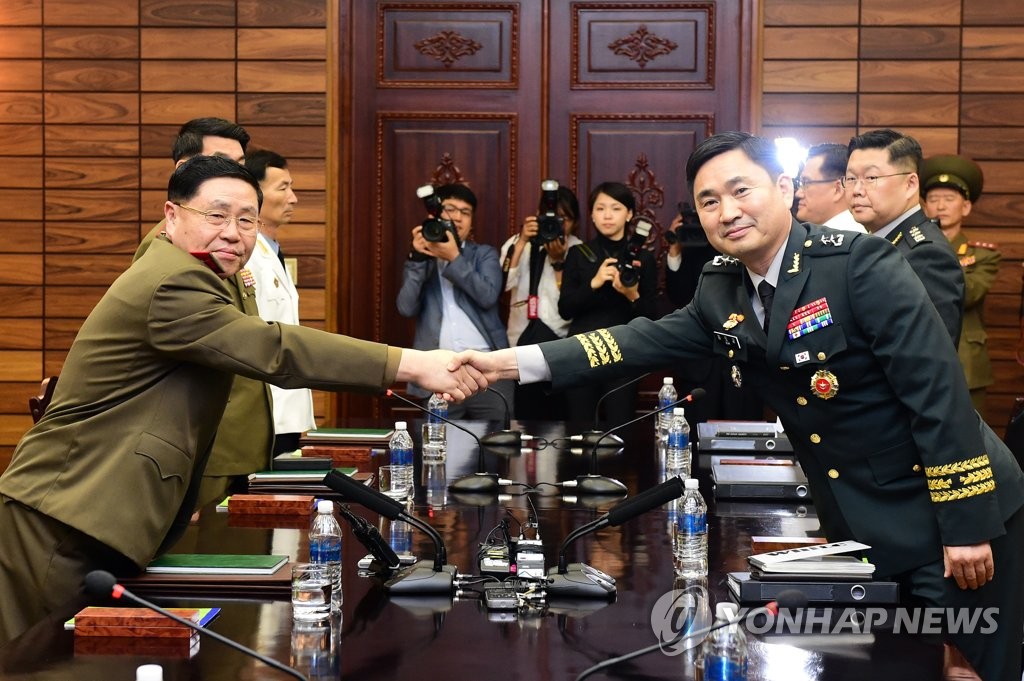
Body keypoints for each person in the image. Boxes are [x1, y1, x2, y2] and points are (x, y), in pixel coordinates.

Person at [456, 132, 1024, 681]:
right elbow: (632, 341)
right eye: (709, 201)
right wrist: (503, 362)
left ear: (784, 187)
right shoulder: (722, 286)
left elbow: (937, 393)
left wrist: (966, 525)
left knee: (968, 667)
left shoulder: (858, 264)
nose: (727, 211)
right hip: (866, 526)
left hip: (953, 521)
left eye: (740, 190)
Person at [0, 156, 482, 645]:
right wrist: (411, 364)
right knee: (35, 660)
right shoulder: (171, 281)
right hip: (60, 518)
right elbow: (276, 348)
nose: (233, 233)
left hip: (92, 514)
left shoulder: (196, 272)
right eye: (216, 215)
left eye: (247, 220)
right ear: (171, 215)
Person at [133, 117, 274, 508]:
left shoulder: (228, 240)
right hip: (206, 446)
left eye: (241, 164)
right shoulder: (169, 248)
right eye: (221, 162)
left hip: (239, 440)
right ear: (184, 170)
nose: (237, 174)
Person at [397, 183, 513, 420]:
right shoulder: (423, 258)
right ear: (435, 214)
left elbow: (488, 296)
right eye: (450, 209)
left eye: (465, 212)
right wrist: (417, 259)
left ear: (472, 221)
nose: (457, 217)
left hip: (487, 369)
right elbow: (406, 307)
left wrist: (454, 258)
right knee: (439, 439)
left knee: (497, 439)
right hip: (438, 372)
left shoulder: (484, 254)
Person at [846, 129, 964, 344]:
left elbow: (930, 352)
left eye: (871, 178)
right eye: (851, 178)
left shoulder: (926, 255)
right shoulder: (873, 243)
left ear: (910, 184)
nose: (857, 190)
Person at [558, 182, 657, 426]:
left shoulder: (643, 258)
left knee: (620, 429)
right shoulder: (578, 253)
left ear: (629, 214)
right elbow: (565, 309)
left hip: (624, 353)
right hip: (581, 352)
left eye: (616, 208)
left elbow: (652, 317)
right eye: (600, 209)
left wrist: (631, 294)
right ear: (592, 214)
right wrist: (595, 282)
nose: (607, 215)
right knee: (579, 429)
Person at [243, 149, 316, 454]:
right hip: (265, 412)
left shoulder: (271, 250)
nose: (293, 198)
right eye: (283, 188)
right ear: (255, 194)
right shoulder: (247, 256)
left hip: (288, 409)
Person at [920, 154, 1000, 417]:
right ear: (925, 207)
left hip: (967, 364)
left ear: (965, 207)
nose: (941, 206)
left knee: (972, 435)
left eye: (949, 198)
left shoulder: (983, 255)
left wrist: (936, 253)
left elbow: (970, 294)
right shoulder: (911, 250)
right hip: (920, 357)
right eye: (934, 199)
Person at [499, 184, 582, 419]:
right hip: (521, 341)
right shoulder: (519, 243)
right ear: (538, 215)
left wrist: (558, 262)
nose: (557, 223)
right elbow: (503, 283)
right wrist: (523, 240)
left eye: (564, 219)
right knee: (525, 416)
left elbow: (572, 301)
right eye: (552, 217)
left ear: (574, 223)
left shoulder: (578, 249)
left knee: (558, 415)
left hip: (560, 342)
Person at [793, 143, 865, 232]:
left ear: (837, 189)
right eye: (800, 183)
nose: (798, 194)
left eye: (806, 183)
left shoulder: (846, 236)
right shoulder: (823, 234)